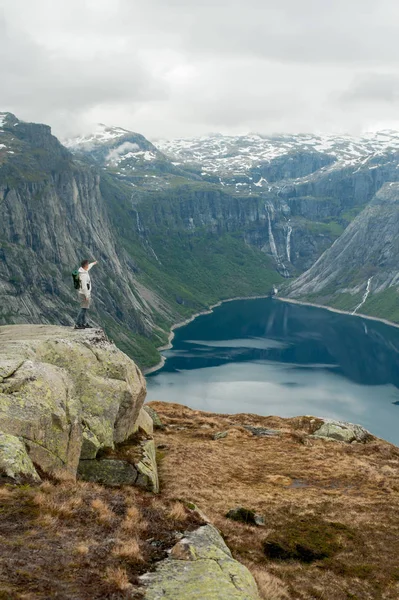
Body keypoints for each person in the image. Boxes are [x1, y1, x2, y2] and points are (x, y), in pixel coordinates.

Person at [75, 259, 98, 329]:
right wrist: (87, 295)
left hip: (83, 293)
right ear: (85, 266)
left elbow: (89, 267)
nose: (88, 265)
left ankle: (83, 323)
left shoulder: (83, 271)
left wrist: (93, 263)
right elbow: (84, 287)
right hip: (84, 294)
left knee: (84, 309)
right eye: (88, 264)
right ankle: (78, 324)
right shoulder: (83, 275)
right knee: (83, 309)